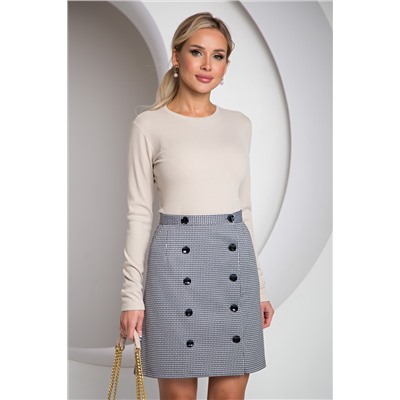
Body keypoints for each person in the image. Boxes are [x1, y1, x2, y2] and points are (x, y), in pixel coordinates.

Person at [119, 12, 274, 400]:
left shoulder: (240, 124)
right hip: (174, 272)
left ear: (226, 66)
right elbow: (139, 214)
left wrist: (259, 288)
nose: (207, 65)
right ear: (176, 57)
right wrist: (131, 297)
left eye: (218, 56)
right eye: (196, 52)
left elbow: (245, 210)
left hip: (233, 268)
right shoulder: (149, 126)